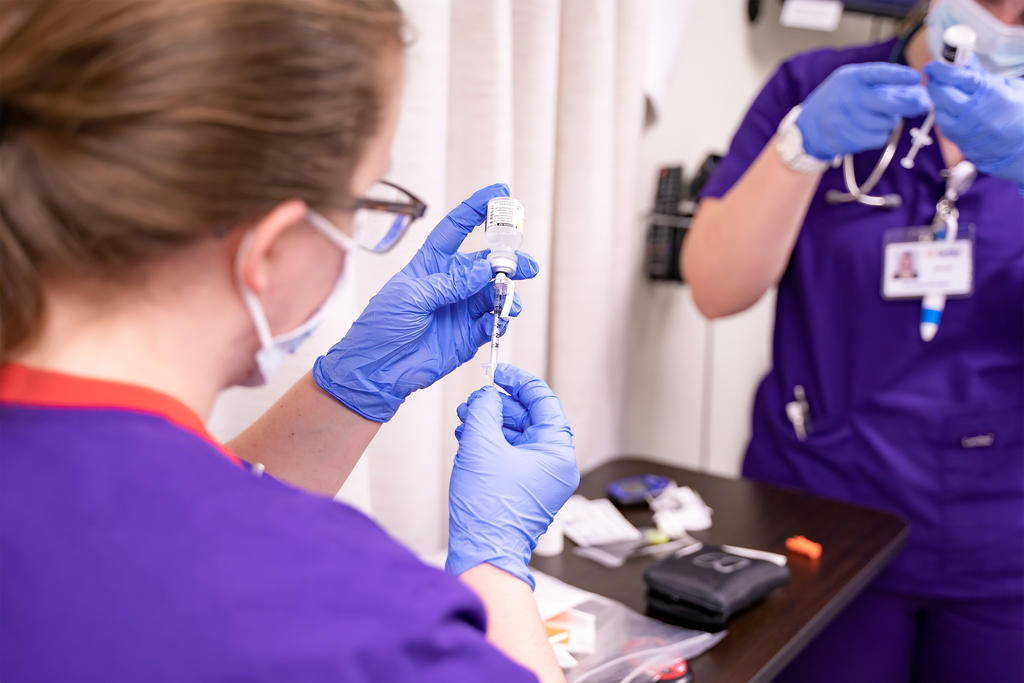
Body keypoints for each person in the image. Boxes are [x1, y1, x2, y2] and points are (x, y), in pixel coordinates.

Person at [0, 2, 578, 681]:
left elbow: (154, 522)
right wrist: (494, 565)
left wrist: (352, 390)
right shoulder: (361, 619)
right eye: (366, 202)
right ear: (269, 250)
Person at [682, 0, 1023, 681]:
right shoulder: (812, 87)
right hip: (824, 517)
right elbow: (715, 287)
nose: (1009, 16)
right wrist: (798, 150)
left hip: (1005, 540)